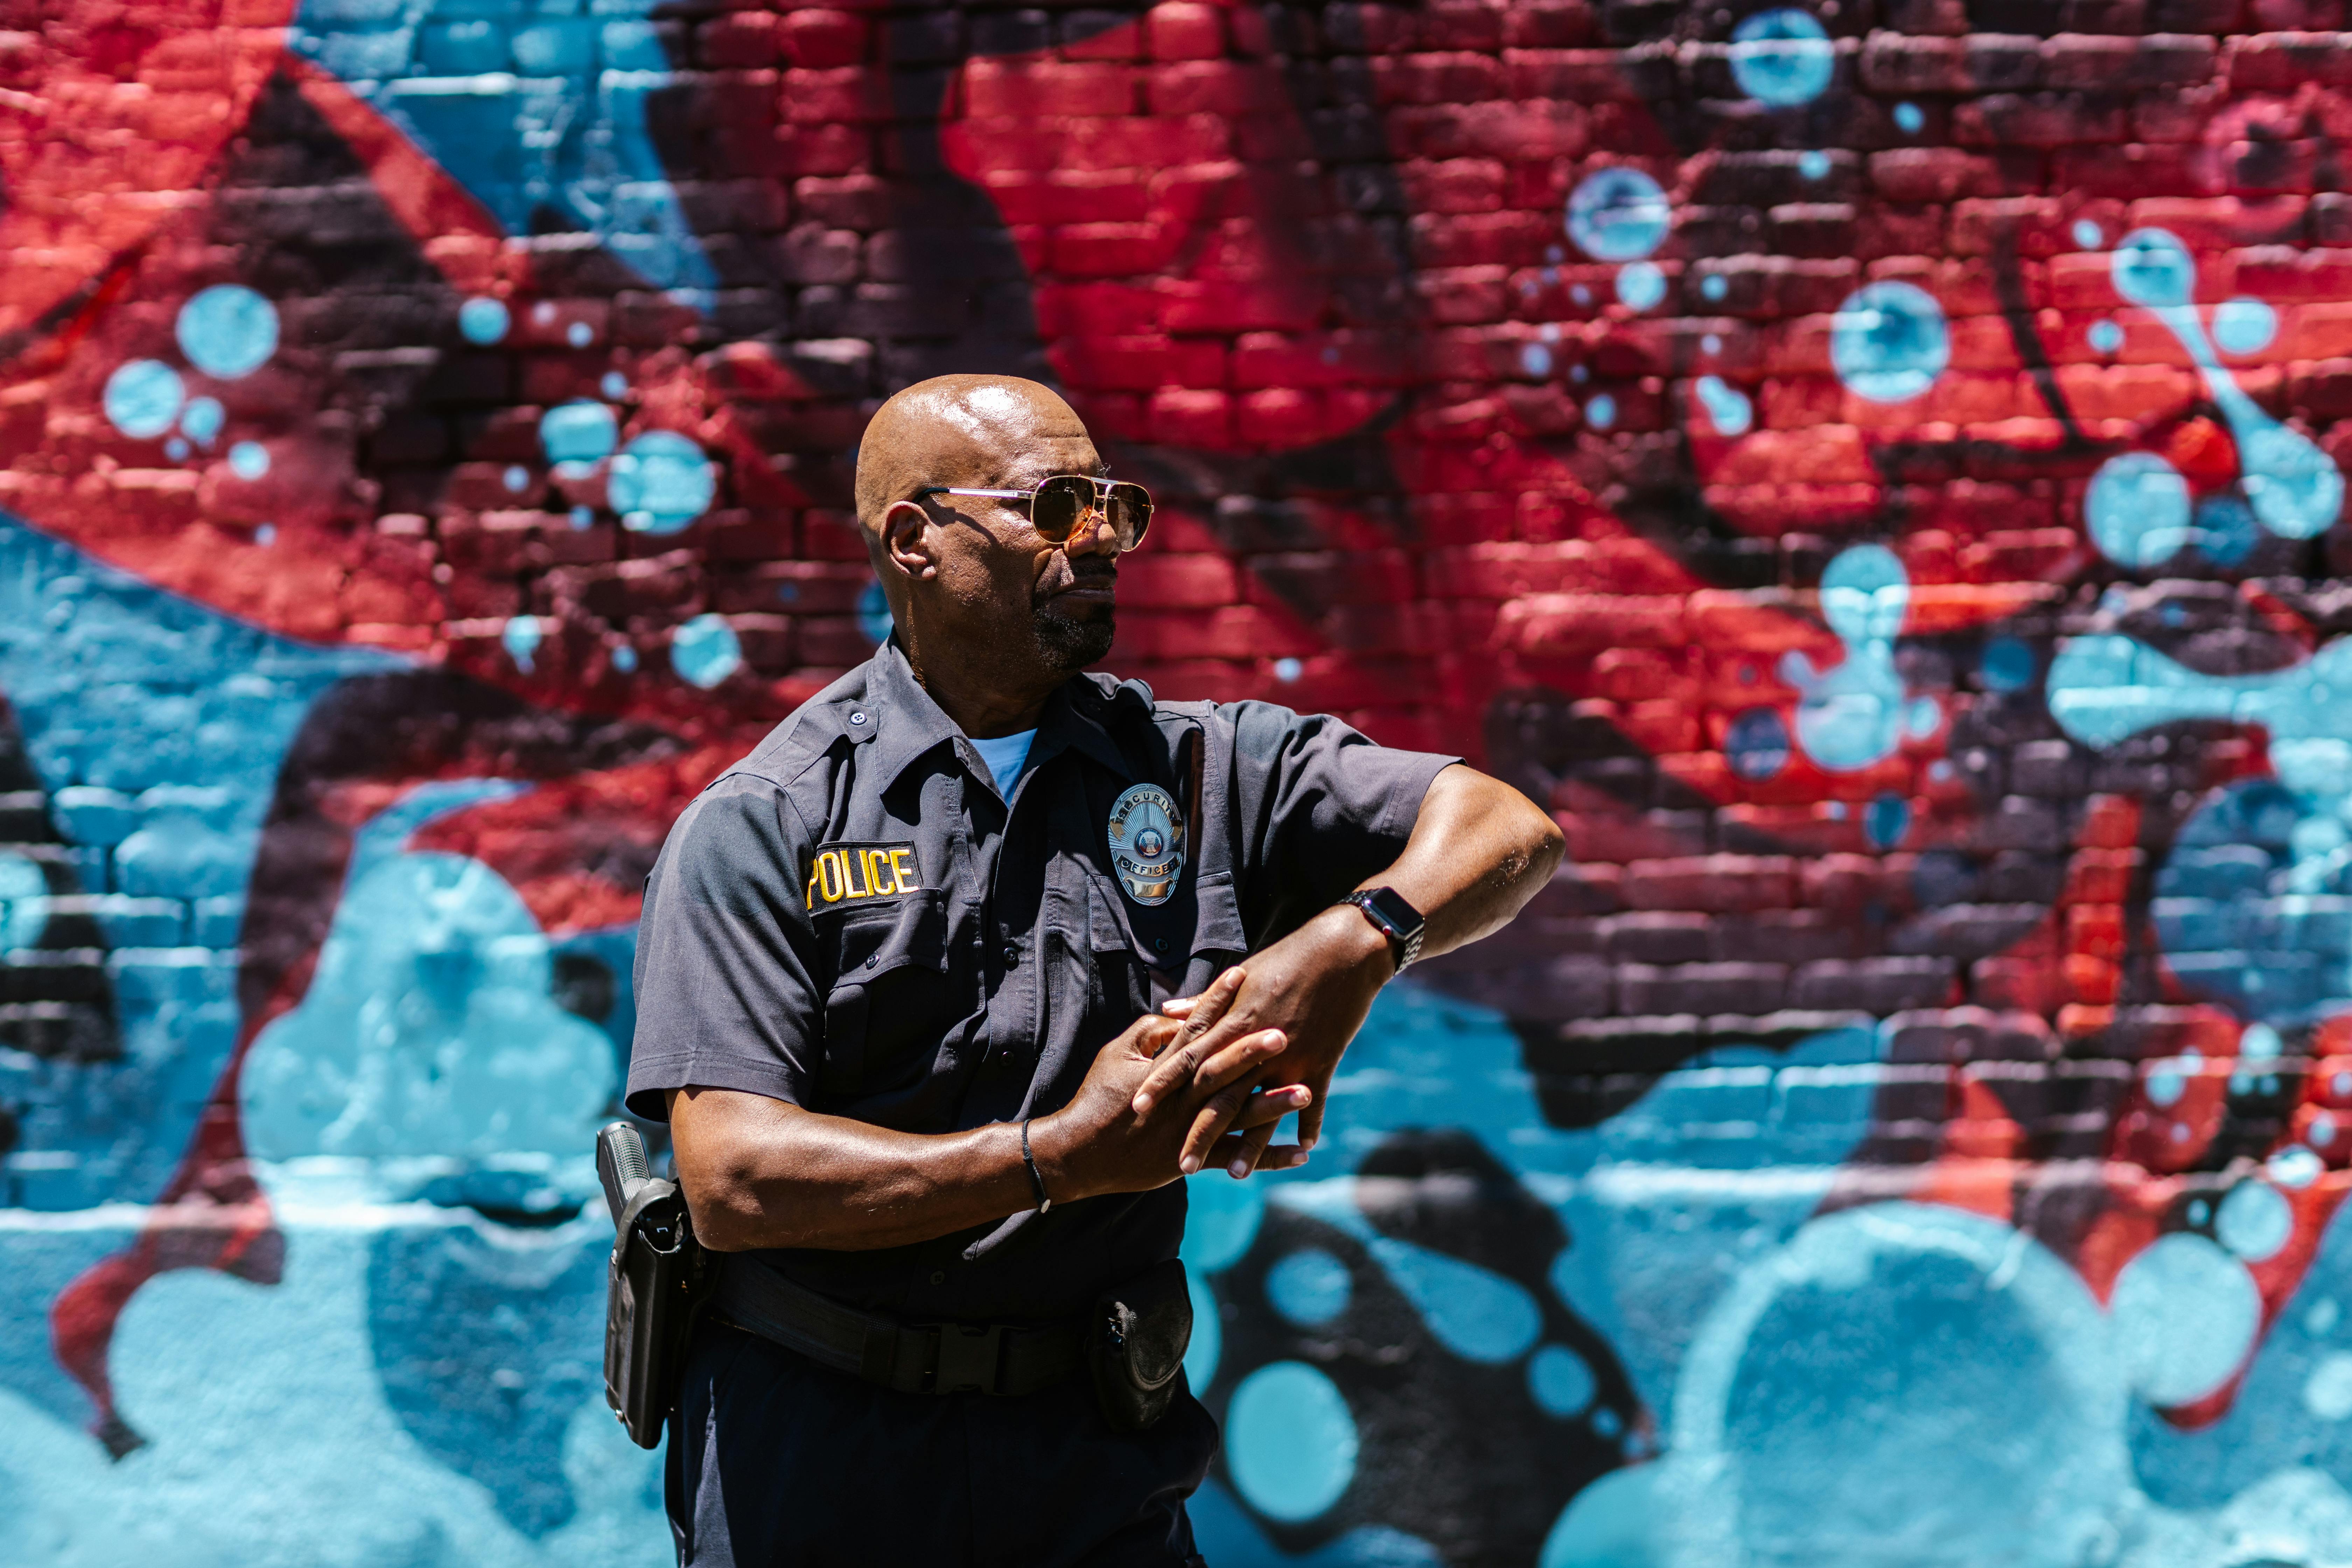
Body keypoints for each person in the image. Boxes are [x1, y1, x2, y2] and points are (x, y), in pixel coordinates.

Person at [624, 373, 1564, 1567]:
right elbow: (735, 1179)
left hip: (1094, 1453)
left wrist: (1351, 945)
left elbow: (1507, 826)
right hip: (821, 1455)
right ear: (915, 539)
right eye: (1059, 505)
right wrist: (1060, 1158)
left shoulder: (1202, 769)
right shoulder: (770, 818)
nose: (1103, 538)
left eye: (1118, 507)